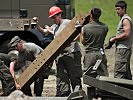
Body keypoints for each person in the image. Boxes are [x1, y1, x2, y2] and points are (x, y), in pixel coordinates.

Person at [33, 6, 82, 97]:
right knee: (61, 77)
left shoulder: (68, 23)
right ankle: (64, 95)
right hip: (61, 55)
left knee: (74, 76)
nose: (53, 19)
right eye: (52, 18)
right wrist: (36, 24)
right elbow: (44, 31)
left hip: (72, 53)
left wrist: (71, 41)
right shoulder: (55, 27)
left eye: (54, 17)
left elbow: (79, 33)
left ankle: (78, 95)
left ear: (60, 15)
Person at [81, 8, 109, 76]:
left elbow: (83, 42)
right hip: (100, 54)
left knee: (89, 78)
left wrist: (81, 30)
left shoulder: (85, 28)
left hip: (90, 55)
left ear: (91, 15)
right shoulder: (105, 27)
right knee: (102, 76)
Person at [110, 1, 133, 80]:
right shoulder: (123, 19)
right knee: (126, 74)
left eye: (118, 9)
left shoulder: (125, 20)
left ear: (124, 9)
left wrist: (115, 38)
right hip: (124, 49)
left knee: (119, 74)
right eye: (116, 9)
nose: (117, 11)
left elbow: (127, 34)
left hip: (123, 50)